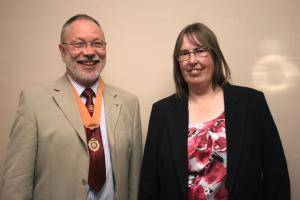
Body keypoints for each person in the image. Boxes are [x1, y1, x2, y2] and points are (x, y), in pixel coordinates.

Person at [138, 23, 290, 200]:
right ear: (178, 62)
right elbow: (149, 184)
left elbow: (276, 174)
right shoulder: (162, 112)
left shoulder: (251, 103)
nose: (192, 60)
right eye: (184, 53)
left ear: (215, 56)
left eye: (200, 50)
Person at [0, 14, 142, 200]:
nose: (90, 52)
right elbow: (16, 182)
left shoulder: (128, 103)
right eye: (79, 44)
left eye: (97, 44)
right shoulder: (33, 102)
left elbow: (134, 181)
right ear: (62, 51)